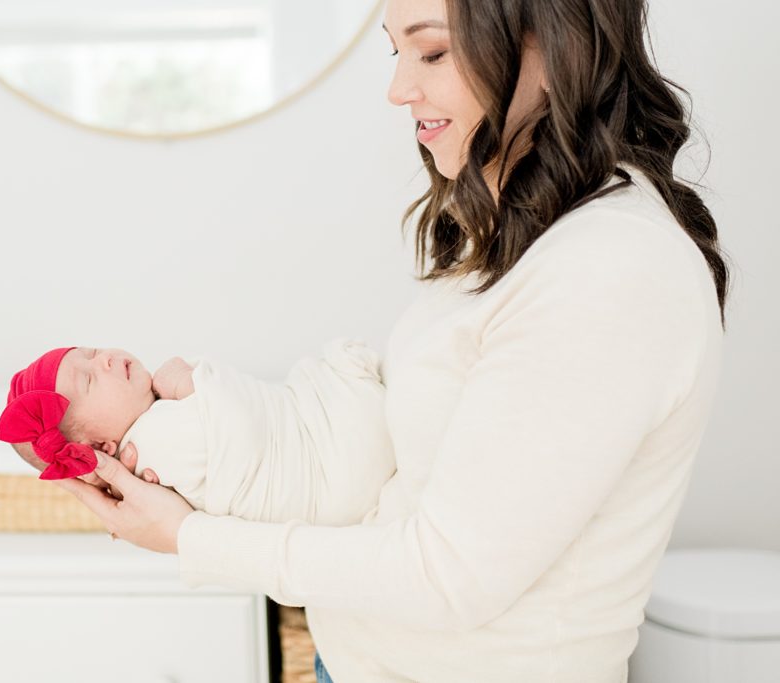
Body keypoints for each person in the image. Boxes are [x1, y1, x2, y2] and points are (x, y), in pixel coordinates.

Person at [52, 0, 731, 680]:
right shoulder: (524, 227)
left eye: (432, 51)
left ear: (551, 48)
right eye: (395, 51)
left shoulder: (609, 271)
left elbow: (449, 575)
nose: (399, 88)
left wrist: (186, 536)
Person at [0, 338, 394, 525]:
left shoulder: (154, 431)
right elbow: (242, 428)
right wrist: (194, 381)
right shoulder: (154, 443)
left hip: (324, 460)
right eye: (89, 381)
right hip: (338, 474)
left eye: (92, 352)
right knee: (329, 377)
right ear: (101, 445)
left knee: (307, 390)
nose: (105, 361)